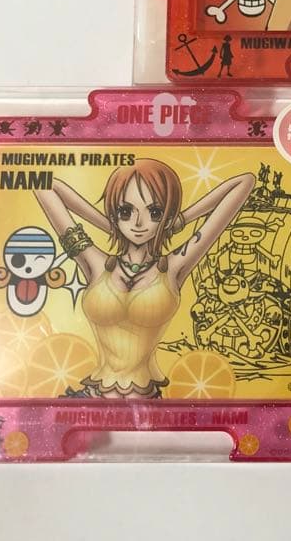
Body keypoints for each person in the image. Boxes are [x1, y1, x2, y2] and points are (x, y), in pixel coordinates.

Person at [33, 160, 253, 398]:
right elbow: (43, 185)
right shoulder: (96, 264)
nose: (138, 223)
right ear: (115, 214)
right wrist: (110, 226)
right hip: (91, 398)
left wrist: (177, 222)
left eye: (154, 212)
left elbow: (245, 182)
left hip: (147, 401)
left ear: (166, 215)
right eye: (126, 212)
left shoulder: (173, 267)